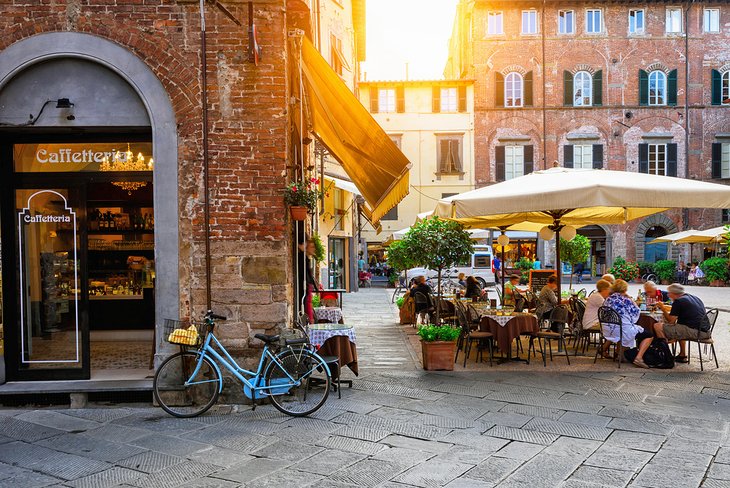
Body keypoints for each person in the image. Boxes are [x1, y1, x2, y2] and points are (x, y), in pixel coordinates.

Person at [646, 283, 710, 364]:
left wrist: (662, 308)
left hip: (697, 332)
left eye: (669, 293)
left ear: (674, 293)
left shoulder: (679, 301)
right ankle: (682, 354)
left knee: (657, 326)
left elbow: (671, 321)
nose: (668, 295)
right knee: (679, 325)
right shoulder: (694, 297)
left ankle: (666, 356)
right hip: (705, 331)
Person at [603, 279, 647, 366]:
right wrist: (629, 298)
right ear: (625, 289)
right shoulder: (625, 300)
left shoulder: (608, 299)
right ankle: (639, 357)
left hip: (608, 329)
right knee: (649, 335)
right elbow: (636, 311)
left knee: (622, 328)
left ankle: (621, 355)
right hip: (621, 330)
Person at [583, 279, 612, 357]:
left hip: (593, 321)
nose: (609, 292)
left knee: (615, 328)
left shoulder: (596, 295)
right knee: (615, 328)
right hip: (591, 323)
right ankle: (603, 349)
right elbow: (608, 308)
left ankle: (605, 349)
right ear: (604, 289)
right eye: (609, 290)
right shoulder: (598, 297)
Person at [300, 238, 319, 324]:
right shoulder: (302, 258)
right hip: (305, 288)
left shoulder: (306, 259)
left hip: (307, 288)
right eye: (311, 247)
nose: (313, 249)